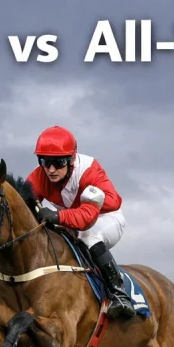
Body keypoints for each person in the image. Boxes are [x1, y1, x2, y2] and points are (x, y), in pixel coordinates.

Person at [25, 126, 134, 319]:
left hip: (104, 217)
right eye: (45, 162)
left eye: (58, 163)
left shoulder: (89, 172)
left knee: (87, 236)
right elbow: (24, 203)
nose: (50, 170)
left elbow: (87, 219)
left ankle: (119, 294)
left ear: (72, 159)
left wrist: (59, 217)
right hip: (72, 218)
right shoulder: (40, 175)